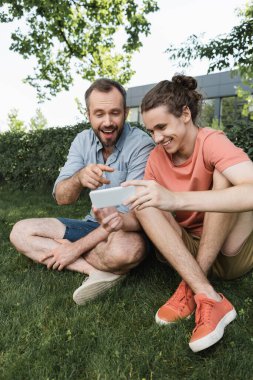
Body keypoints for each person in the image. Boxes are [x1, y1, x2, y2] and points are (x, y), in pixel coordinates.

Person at [98, 75, 253, 352]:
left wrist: (175, 199)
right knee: (143, 200)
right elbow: (149, 216)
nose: (157, 138)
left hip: (231, 252)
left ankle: (190, 286)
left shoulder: (212, 141)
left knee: (224, 175)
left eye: (161, 127)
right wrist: (121, 220)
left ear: (185, 114)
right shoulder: (158, 158)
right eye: (151, 131)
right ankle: (206, 295)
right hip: (186, 252)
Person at [10, 78, 155, 305]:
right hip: (93, 225)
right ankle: (95, 271)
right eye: (99, 114)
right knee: (20, 232)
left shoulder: (142, 145)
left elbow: (135, 216)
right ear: (88, 115)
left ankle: (80, 257)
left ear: (125, 113)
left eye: (114, 113)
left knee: (127, 250)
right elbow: (62, 198)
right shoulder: (82, 141)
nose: (107, 122)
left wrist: (75, 248)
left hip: (128, 227)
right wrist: (78, 178)